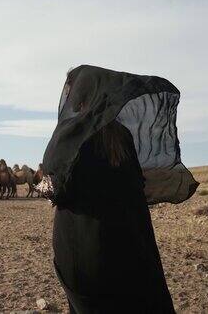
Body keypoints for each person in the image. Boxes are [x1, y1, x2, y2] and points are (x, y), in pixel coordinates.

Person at [51, 120, 176, 313]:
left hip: (82, 244)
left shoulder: (72, 132)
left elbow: (58, 188)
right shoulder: (121, 135)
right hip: (126, 239)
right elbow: (136, 183)